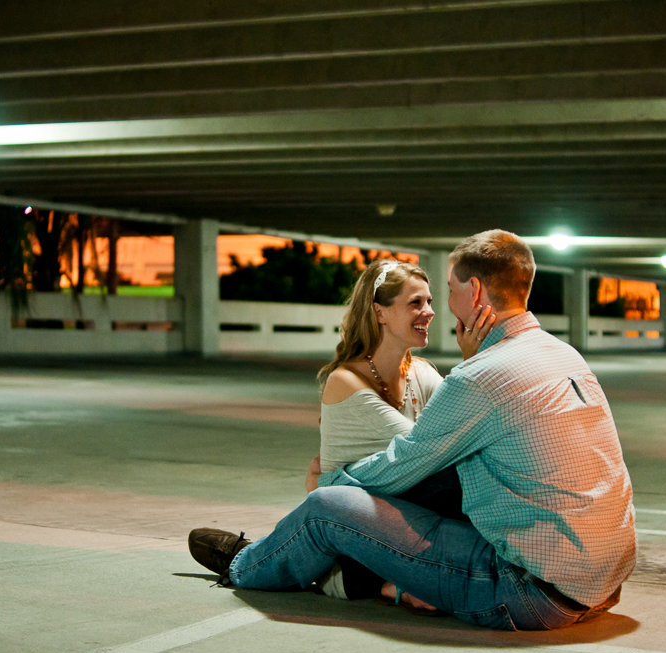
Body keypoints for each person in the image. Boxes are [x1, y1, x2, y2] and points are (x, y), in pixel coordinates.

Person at [189, 230, 636, 630]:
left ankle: (245, 563)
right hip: (603, 582)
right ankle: (358, 570)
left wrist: (328, 482)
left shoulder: (480, 377)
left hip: (528, 592)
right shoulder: (563, 354)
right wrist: (475, 361)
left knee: (327, 507)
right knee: (448, 479)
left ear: (475, 290)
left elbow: (405, 462)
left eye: (449, 291)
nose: (441, 307)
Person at [313, 258, 493, 604]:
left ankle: (412, 581)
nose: (430, 311)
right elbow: (429, 451)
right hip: (351, 543)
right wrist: (471, 364)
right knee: (455, 482)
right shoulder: (345, 381)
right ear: (379, 312)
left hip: (398, 521)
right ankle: (395, 583)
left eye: (429, 301)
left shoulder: (420, 373)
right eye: (415, 302)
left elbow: (465, 431)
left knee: (478, 474)